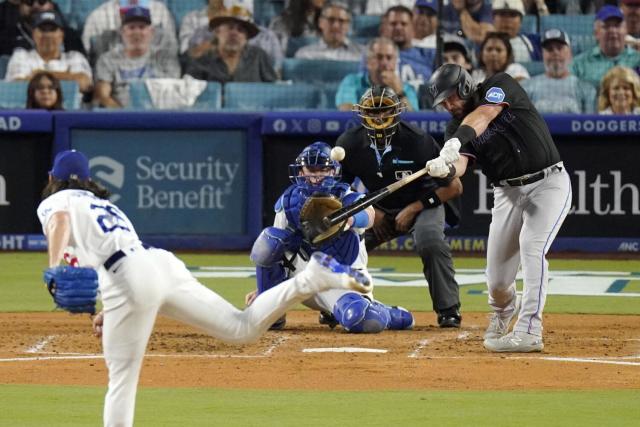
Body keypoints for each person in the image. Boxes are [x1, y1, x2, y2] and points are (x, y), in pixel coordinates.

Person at [38, 149, 371, 427]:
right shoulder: (106, 205)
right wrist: (115, 308)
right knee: (241, 328)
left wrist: (55, 267)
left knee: (122, 382)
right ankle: (309, 279)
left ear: (53, 179)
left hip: (130, 277)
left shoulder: (59, 200)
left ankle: (309, 279)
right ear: (88, 180)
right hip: (159, 264)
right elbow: (126, 260)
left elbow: (60, 222)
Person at [425, 63, 572, 352]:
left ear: (465, 87)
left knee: (532, 247)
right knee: (497, 280)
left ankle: (530, 329)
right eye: (443, 102)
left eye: (451, 97)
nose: (449, 105)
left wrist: (457, 140)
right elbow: (460, 165)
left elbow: (485, 114)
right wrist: (444, 169)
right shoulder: (454, 128)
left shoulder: (499, 84)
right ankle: (504, 312)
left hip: (549, 182)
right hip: (507, 193)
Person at [245, 141, 414, 333]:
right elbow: (274, 255)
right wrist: (264, 289)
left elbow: (369, 216)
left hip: (340, 279)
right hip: (302, 277)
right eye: (311, 169)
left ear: (333, 172)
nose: (316, 176)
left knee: (363, 320)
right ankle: (271, 311)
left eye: (323, 169)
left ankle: (385, 313)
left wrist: (348, 219)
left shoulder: (347, 197)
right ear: (301, 171)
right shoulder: (287, 202)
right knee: (270, 240)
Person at [336, 85, 464, 328]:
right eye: (373, 112)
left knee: (430, 240)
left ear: (397, 112)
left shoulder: (417, 141)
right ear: (362, 114)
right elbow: (341, 191)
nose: (379, 117)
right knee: (343, 241)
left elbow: (454, 187)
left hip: (423, 203)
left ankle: (448, 310)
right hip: (378, 208)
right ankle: (336, 305)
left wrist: (414, 208)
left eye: (385, 111)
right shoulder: (349, 144)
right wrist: (372, 210)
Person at [94, 6, 181, 108]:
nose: (137, 32)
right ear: (122, 32)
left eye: (142, 27)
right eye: (131, 27)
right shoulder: (108, 60)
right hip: (121, 119)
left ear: (151, 32)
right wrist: (125, 117)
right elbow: (102, 97)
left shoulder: (165, 58)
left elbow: (173, 95)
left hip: (159, 118)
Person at [5, 10, 92, 96]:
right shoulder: (21, 56)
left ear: (62, 35)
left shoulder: (75, 56)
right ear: (33, 34)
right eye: (43, 29)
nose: (47, 35)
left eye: (52, 29)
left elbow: (84, 84)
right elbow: (16, 86)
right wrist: (68, 77)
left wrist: (39, 75)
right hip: (29, 109)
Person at [179, 0, 283, 72]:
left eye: (240, 29)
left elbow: (276, 76)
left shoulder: (267, 38)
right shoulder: (201, 34)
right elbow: (189, 61)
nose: (234, 32)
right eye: (230, 27)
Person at [521, 29, 596, 113]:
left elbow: (590, 122)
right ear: (543, 55)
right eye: (550, 49)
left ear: (570, 53)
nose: (555, 53)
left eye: (560, 48)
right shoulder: (526, 87)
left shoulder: (585, 89)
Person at [336, 37, 419, 111]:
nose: (384, 63)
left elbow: (413, 121)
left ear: (395, 62)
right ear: (368, 62)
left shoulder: (406, 88)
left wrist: (400, 93)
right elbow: (346, 110)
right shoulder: (352, 81)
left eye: (389, 58)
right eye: (379, 57)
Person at [82, 0, 178, 64]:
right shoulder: (98, 16)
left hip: (154, 74)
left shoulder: (160, 11)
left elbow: (171, 50)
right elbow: (87, 56)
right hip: (113, 78)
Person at [571, 5, 640, 88]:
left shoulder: (638, 60)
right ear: (596, 33)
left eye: (617, 26)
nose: (613, 31)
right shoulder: (579, 64)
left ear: (625, 30)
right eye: (606, 26)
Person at [0, 0, 85, 56]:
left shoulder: (70, 37)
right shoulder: (6, 37)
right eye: (29, 2)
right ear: (20, 8)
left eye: (42, 1)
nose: (35, 6)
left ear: (51, 5)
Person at [380, 5, 435, 91]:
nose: (398, 28)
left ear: (412, 27)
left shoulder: (429, 55)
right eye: (393, 24)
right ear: (384, 28)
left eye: (404, 24)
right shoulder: (374, 56)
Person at [294, 1, 365, 61]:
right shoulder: (304, 55)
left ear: (348, 25)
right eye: (331, 20)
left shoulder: (363, 54)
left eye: (341, 21)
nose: (336, 26)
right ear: (320, 23)